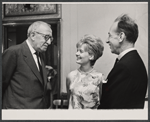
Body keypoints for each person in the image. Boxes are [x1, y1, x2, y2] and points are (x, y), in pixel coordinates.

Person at [98, 14, 148, 109]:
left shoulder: (125, 67)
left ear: (121, 36)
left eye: (110, 36)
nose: (106, 40)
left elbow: (112, 108)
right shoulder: (133, 61)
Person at [2, 21, 54, 109]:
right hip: (17, 114)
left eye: (50, 38)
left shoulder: (40, 55)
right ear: (33, 35)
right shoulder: (13, 52)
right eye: (46, 37)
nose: (49, 42)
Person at [66, 34, 105, 109]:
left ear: (91, 56)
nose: (76, 54)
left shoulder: (100, 78)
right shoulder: (71, 76)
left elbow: (102, 102)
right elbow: (70, 100)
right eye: (77, 50)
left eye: (80, 51)